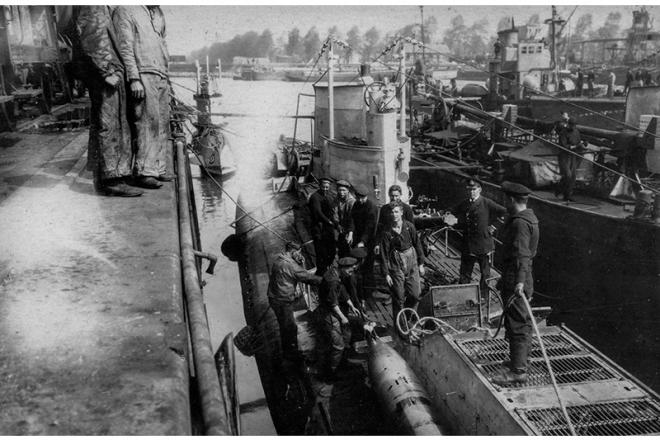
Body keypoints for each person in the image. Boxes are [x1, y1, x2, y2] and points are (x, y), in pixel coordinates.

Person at [71, 6, 141, 197]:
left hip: (106, 71)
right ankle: (111, 179)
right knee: (110, 124)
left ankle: (110, 176)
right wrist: (107, 71)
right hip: (106, 73)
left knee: (110, 123)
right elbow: (92, 35)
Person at [114, 6, 172, 189]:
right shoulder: (126, 10)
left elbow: (162, 44)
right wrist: (134, 78)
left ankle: (158, 167)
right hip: (143, 72)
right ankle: (144, 171)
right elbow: (125, 47)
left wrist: (166, 74)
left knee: (162, 122)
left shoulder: (156, 14)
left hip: (160, 73)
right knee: (147, 121)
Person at [491, 182, 539, 386]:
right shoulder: (530, 218)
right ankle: (520, 360)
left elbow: (522, 255)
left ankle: (518, 371)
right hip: (522, 275)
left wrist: (518, 282)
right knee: (523, 320)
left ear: (511, 200)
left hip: (518, 277)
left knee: (517, 323)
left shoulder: (520, 223)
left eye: (505, 199)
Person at [445, 179, 506, 297]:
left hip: (483, 243)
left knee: (485, 273)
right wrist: (448, 215)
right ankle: (463, 295)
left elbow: (505, 212)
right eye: (469, 189)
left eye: (474, 189)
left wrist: (494, 226)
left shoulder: (486, 202)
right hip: (468, 244)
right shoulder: (465, 203)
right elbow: (452, 210)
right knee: (465, 272)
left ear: (480, 190)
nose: (471, 192)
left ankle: (484, 296)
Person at [267, 242, 322, 367]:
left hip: (274, 298)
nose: (300, 254)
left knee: (285, 326)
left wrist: (299, 262)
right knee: (290, 328)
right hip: (282, 301)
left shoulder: (279, 259)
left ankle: (289, 352)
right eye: (299, 252)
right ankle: (291, 356)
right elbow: (306, 277)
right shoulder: (290, 264)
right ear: (293, 251)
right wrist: (324, 281)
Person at [379, 204, 425, 323]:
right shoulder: (387, 232)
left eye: (396, 212)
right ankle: (400, 325)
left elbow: (417, 244)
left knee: (415, 294)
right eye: (392, 212)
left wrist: (421, 263)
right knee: (398, 297)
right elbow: (383, 254)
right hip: (396, 264)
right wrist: (386, 274)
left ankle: (408, 314)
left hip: (411, 261)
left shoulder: (409, 227)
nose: (394, 215)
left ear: (401, 213)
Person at [318, 257, 360, 380]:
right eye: (350, 271)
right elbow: (333, 303)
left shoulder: (337, 273)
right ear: (343, 268)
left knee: (346, 335)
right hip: (329, 313)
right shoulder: (333, 281)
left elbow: (342, 291)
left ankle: (342, 362)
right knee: (338, 345)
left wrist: (351, 305)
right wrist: (342, 317)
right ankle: (331, 373)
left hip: (334, 309)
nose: (351, 274)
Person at [308, 177, 336, 275]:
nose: (325, 189)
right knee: (321, 252)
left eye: (327, 187)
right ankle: (321, 272)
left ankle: (328, 266)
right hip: (318, 228)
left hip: (328, 228)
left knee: (332, 250)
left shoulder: (329, 196)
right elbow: (318, 212)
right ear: (319, 186)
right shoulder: (315, 197)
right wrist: (329, 221)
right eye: (323, 187)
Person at [556, 118, 584, 201]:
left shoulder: (576, 132)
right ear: (568, 124)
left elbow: (579, 142)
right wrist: (573, 147)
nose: (573, 127)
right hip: (564, 156)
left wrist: (582, 145)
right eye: (571, 125)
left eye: (574, 125)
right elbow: (563, 146)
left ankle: (567, 195)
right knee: (567, 175)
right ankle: (558, 190)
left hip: (573, 156)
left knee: (573, 176)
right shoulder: (563, 133)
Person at [333, 179, 355, 258]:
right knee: (341, 251)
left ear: (348, 190)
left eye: (344, 190)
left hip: (351, 230)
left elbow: (352, 218)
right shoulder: (337, 199)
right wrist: (337, 224)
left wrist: (349, 233)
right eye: (340, 190)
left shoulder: (351, 202)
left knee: (350, 251)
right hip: (341, 229)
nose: (341, 192)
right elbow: (335, 213)